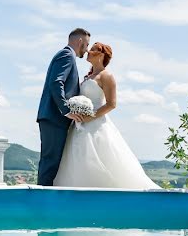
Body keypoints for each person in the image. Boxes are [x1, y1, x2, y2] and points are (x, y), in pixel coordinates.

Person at [53, 42, 160, 189]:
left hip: (96, 123)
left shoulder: (107, 76)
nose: (88, 51)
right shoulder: (88, 76)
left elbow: (111, 104)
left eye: (93, 50)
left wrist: (90, 117)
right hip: (79, 124)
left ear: (101, 55)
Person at [36, 28, 90, 186]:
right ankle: (41, 203)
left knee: (52, 162)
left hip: (54, 118)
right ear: (79, 41)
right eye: (86, 45)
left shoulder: (66, 56)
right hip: (54, 117)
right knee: (50, 162)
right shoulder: (66, 55)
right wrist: (66, 110)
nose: (86, 50)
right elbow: (56, 82)